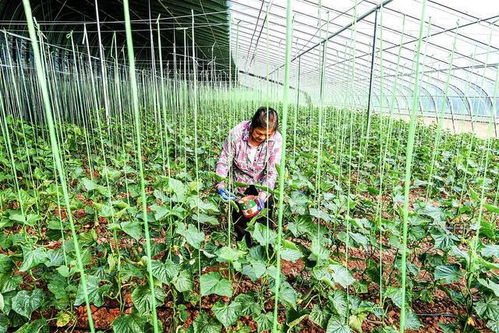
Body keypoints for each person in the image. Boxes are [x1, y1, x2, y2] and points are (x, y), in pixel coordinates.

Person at [215, 106, 282, 244]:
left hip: (262, 185)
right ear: (252, 126)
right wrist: (220, 184)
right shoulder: (236, 134)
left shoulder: (276, 139)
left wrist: (263, 195)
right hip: (240, 187)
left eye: (267, 135)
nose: (262, 137)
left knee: (264, 228)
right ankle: (245, 253)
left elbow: (272, 170)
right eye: (259, 133)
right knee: (242, 226)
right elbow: (224, 161)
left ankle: (263, 256)